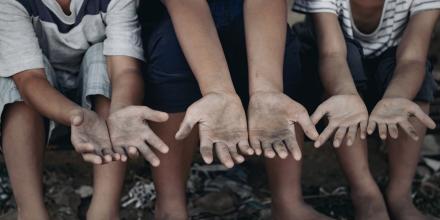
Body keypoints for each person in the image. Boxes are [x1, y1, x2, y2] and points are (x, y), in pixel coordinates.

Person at [141, 0, 339, 219]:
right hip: (176, 15)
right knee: (170, 50)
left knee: (281, 53)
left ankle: (288, 201)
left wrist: (267, 91)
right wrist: (218, 91)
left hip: (251, 13)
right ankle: (170, 206)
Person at [0, 0, 169, 219]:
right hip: (40, 91)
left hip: (95, 91)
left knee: (102, 55)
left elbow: (125, 70)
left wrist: (121, 110)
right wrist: (75, 116)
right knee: (12, 83)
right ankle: (31, 212)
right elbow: (29, 79)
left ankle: (104, 210)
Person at [293, 0, 439, 219]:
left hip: (395, 65)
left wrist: (397, 96)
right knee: (344, 77)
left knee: (419, 85)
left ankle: (400, 193)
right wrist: (346, 94)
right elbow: (332, 54)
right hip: (336, 64)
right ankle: (365, 192)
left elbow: (413, 58)